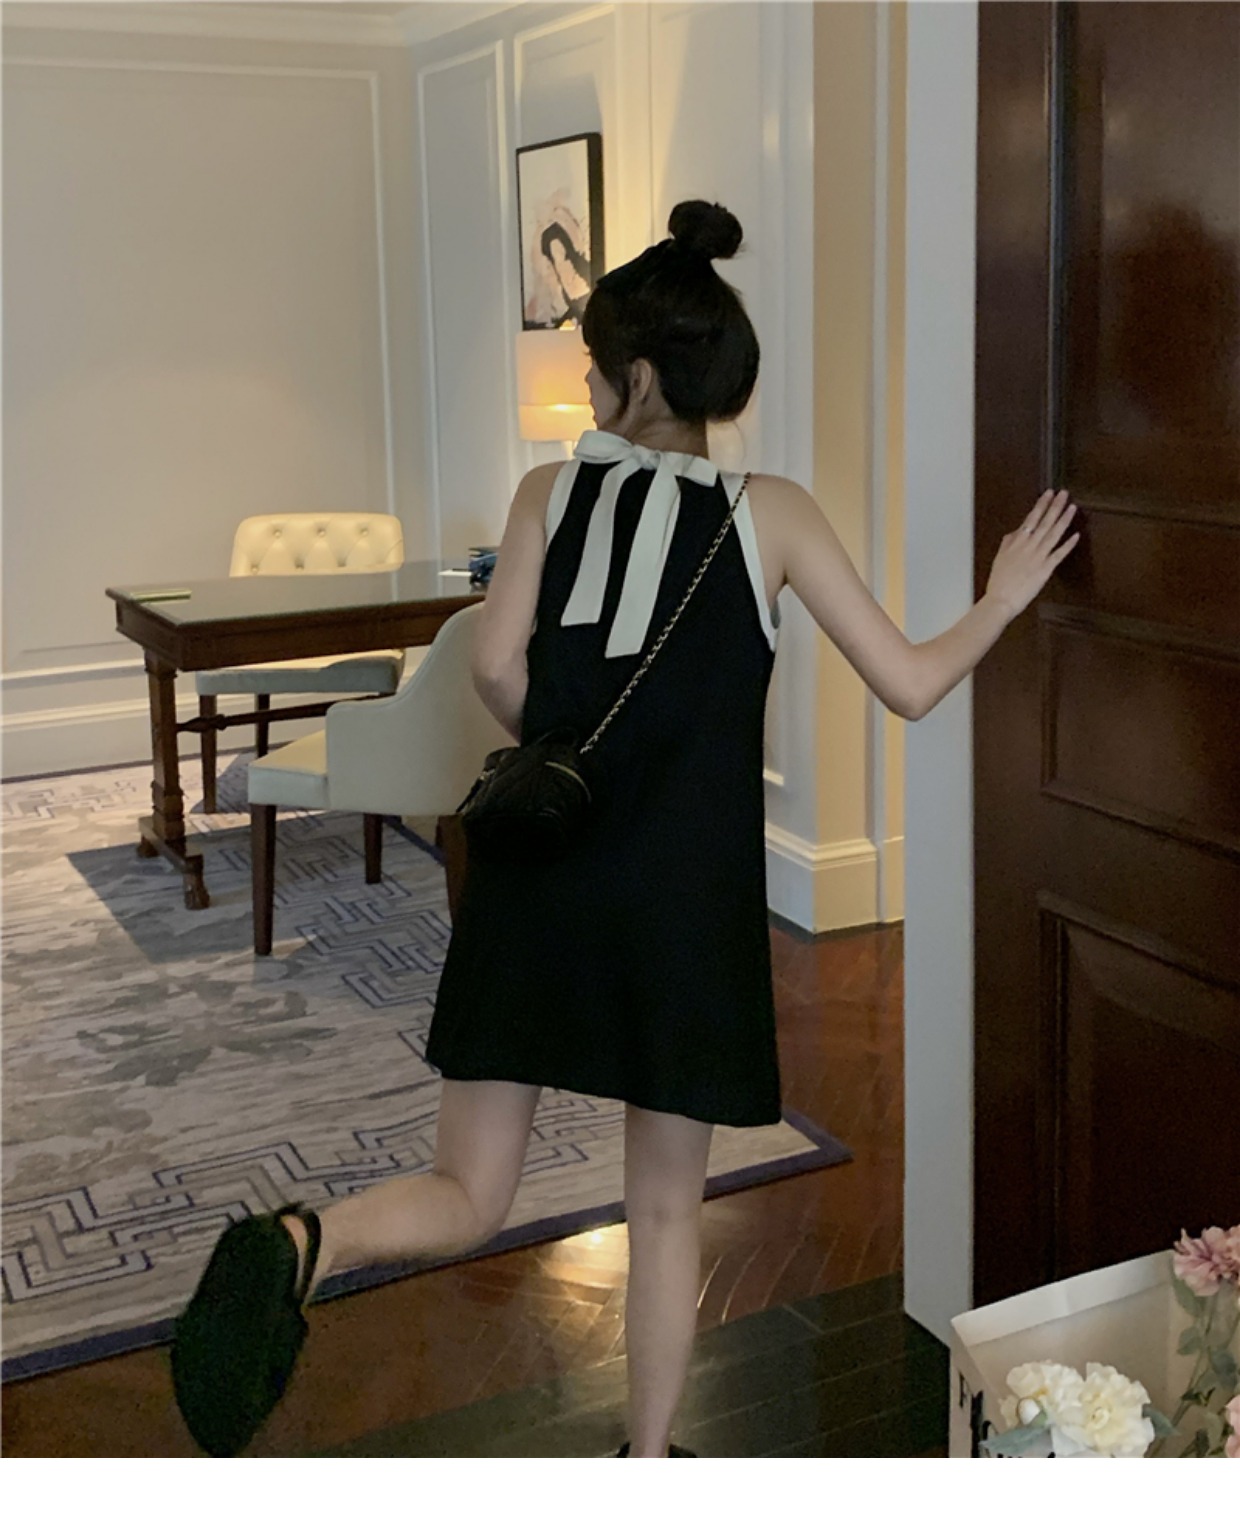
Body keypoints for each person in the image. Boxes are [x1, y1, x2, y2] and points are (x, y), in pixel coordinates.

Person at [171, 200, 1079, 1459]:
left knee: (467, 1190)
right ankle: (647, 1461)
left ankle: (297, 1244)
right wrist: (999, 599)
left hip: (536, 880)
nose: (587, 387)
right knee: (662, 1212)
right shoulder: (773, 511)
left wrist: (574, 748)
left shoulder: (547, 491)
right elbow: (913, 683)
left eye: (594, 366)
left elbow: (494, 669)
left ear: (637, 377)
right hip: (679, 912)